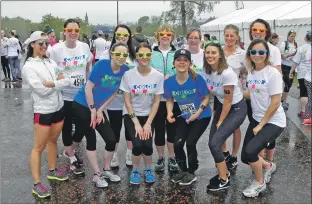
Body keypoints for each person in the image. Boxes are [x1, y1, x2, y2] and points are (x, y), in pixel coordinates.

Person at [72, 42, 129, 187]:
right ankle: (97, 175)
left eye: (124, 54)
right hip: (82, 104)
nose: (121, 57)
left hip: (98, 108)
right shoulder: (101, 65)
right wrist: (92, 109)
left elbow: (115, 92)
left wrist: (100, 109)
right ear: (111, 54)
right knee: (90, 138)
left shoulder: (125, 70)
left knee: (111, 139)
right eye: (118, 54)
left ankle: (107, 169)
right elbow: (88, 88)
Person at [23, 31, 70, 199]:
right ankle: (37, 184)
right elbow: (41, 91)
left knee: (53, 140)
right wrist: (59, 83)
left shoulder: (50, 61)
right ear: (32, 44)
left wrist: (54, 83)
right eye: (40, 43)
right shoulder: (29, 67)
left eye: (46, 43)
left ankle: (52, 170)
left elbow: (67, 79)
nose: (44, 46)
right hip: (43, 110)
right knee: (39, 147)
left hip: (59, 107)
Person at [47, 18, 93, 175]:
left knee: (83, 125)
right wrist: (61, 81)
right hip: (64, 95)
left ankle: (70, 149)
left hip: (81, 95)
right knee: (66, 127)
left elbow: (88, 67)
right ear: (64, 31)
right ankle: (72, 157)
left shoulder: (85, 47)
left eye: (76, 31)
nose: (73, 33)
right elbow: (51, 70)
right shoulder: (56, 50)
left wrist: (89, 85)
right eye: (70, 30)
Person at [241, 39, 286, 197]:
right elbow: (252, 93)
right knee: (245, 157)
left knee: (251, 151)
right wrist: (236, 93)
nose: (257, 55)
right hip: (257, 118)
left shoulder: (273, 73)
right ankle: (267, 166)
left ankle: (259, 183)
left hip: (273, 121)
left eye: (261, 52)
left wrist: (261, 125)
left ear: (267, 54)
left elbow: (275, 103)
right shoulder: (251, 72)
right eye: (253, 52)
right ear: (249, 54)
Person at [204, 41, 247, 191]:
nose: (210, 55)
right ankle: (225, 171)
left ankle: (224, 179)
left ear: (220, 55)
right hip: (223, 106)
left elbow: (229, 101)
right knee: (212, 142)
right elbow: (212, 93)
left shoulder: (227, 74)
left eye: (213, 52)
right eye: (207, 52)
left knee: (215, 143)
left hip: (236, 108)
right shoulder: (207, 70)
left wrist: (220, 120)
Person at [165, 49, 211, 186]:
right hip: (185, 116)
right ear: (174, 63)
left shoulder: (197, 78)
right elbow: (169, 99)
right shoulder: (169, 82)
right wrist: (169, 112)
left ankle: (191, 171)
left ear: (190, 63)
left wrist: (197, 113)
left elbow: (206, 97)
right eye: (179, 60)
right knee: (177, 144)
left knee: (190, 143)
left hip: (202, 116)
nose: (182, 63)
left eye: (185, 60)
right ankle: (183, 170)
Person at [120, 42, 163, 184]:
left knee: (148, 145)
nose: (144, 57)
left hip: (149, 114)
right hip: (131, 114)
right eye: (141, 55)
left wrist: (149, 123)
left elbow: (157, 101)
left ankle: (148, 169)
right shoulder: (128, 75)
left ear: (151, 56)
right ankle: (136, 169)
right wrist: (137, 124)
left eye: (148, 54)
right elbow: (127, 101)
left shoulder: (158, 76)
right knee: (138, 144)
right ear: (136, 57)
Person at [100, 24, 137, 168]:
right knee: (115, 127)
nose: (121, 37)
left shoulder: (134, 56)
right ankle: (114, 154)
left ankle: (130, 152)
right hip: (113, 99)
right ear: (114, 35)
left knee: (129, 128)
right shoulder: (106, 54)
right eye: (119, 34)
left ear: (129, 37)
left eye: (125, 35)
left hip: (130, 100)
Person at [247, 18, 282, 162]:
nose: (257, 32)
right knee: (257, 131)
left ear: (266, 32)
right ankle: (261, 163)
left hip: (269, 94)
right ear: (251, 31)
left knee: (268, 130)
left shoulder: (273, 50)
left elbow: (277, 73)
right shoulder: (248, 48)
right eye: (254, 29)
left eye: (261, 30)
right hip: (254, 94)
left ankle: (269, 161)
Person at [150, 25, 180, 173]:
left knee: (172, 130)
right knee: (159, 130)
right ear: (157, 36)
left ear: (172, 36)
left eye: (168, 34)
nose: (165, 36)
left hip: (173, 99)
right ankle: (161, 157)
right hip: (156, 99)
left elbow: (184, 69)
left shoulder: (177, 52)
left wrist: (172, 75)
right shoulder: (151, 53)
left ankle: (172, 157)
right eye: (162, 34)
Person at [220, 24, 247, 170]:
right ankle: (224, 152)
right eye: (227, 35)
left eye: (232, 35)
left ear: (237, 37)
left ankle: (234, 156)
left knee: (236, 127)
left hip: (235, 95)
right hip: (220, 96)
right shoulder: (219, 52)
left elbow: (247, 70)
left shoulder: (242, 53)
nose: (229, 38)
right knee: (221, 124)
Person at [289, 30, 311, 120]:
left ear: (306, 38)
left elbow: (296, 62)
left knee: (304, 93)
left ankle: (304, 112)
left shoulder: (302, 48)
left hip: (304, 74)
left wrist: (291, 72)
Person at [280, 30, 298, 110]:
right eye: (291, 36)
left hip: (292, 67)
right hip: (285, 66)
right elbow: (281, 56)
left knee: (289, 85)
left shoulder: (295, 44)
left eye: (294, 36)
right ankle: (282, 102)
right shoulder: (284, 43)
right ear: (288, 36)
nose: (293, 38)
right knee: (287, 83)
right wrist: (290, 55)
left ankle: (283, 100)